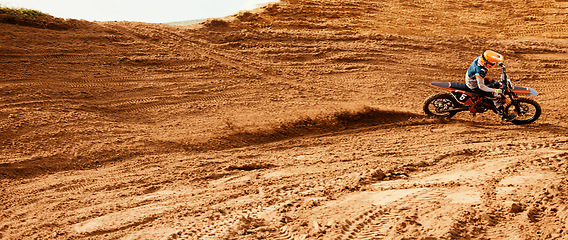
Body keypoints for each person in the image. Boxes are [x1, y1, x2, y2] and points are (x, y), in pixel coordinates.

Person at [465, 50, 515, 122]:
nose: (493, 65)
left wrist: (500, 63)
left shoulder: (481, 59)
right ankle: (503, 117)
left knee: (493, 82)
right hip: (474, 85)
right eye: (492, 64)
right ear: (486, 63)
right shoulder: (480, 70)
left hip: (473, 79)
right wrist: (495, 90)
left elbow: (491, 59)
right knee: (497, 96)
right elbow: (481, 87)